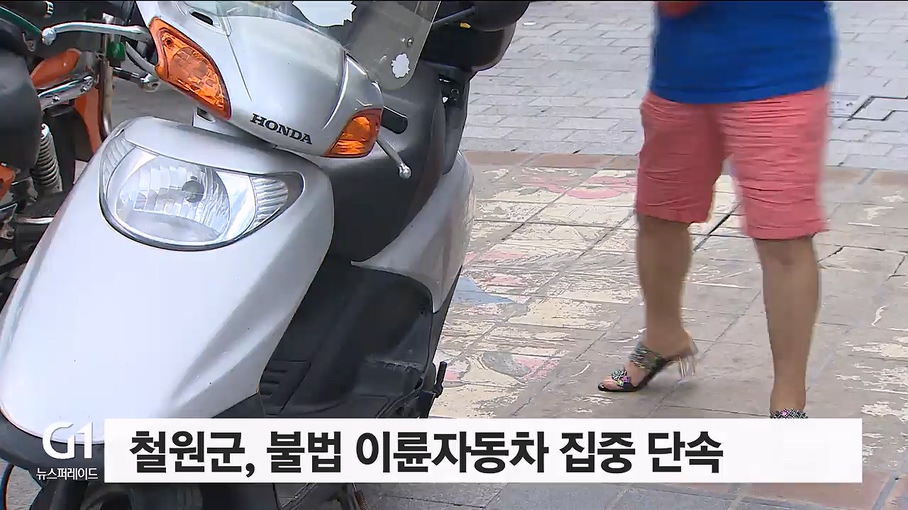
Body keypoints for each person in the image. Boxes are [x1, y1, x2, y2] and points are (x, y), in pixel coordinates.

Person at [597, 1, 835, 419]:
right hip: (682, 73)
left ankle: (789, 398)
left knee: (783, 235)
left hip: (780, 75)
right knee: (658, 214)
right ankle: (663, 337)